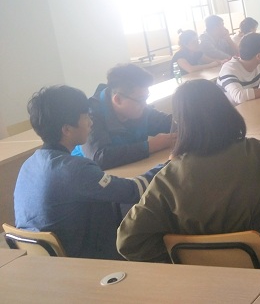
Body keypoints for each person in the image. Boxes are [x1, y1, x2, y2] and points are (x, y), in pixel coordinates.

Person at [117, 79, 260, 272]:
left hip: (201, 275)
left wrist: (176, 252)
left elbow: (128, 240)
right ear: (227, 111)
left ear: (180, 123)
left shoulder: (168, 176)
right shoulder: (258, 152)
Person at [14, 86, 161, 259]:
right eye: (85, 117)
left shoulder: (29, 164)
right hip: (82, 261)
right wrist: (167, 167)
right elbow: (132, 191)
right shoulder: (74, 169)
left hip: (43, 262)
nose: (91, 122)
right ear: (67, 129)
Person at [75, 63, 174, 170]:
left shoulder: (139, 107)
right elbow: (99, 157)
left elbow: (168, 122)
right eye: (141, 100)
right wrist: (150, 146)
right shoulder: (90, 116)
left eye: (146, 98)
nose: (145, 105)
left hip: (133, 171)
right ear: (118, 100)